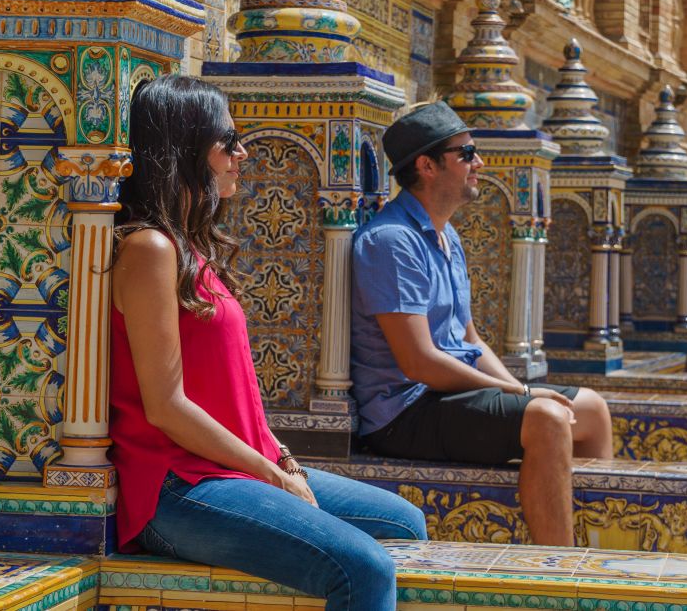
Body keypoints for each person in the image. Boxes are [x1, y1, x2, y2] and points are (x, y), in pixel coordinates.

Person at [108, 75, 426, 611]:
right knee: (365, 568)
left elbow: (235, 397)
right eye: (228, 141)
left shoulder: (190, 248)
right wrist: (274, 477)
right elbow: (166, 407)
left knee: (404, 523)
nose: (242, 153)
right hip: (177, 485)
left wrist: (283, 460)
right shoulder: (150, 249)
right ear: (185, 148)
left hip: (232, 468)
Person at [350, 101, 614, 547]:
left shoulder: (446, 235)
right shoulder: (391, 241)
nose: (480, 164)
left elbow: (469, 338)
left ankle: (591, 544)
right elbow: (418, 362)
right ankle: (560, 568)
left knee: (591, 410)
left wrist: (516, 388)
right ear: (427, 165)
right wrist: (521, 394)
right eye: (467, 154)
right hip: (403, 412)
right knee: (548, 419)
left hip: (446, 395)